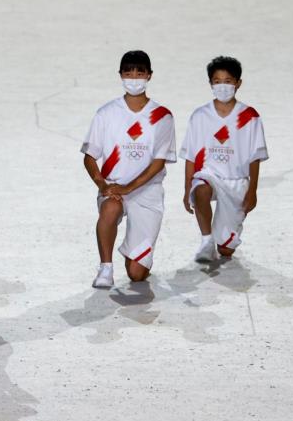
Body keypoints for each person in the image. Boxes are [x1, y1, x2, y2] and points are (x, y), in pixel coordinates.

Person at [81, 51, 176, 288]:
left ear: (149, 76)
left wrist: (129, 187)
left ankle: (134, 252)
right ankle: (105, 267)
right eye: (128, 72)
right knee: (111, 207)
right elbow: (90, 156)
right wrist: (103, 185)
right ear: (120, 75)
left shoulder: (162, 116)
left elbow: (158, 163)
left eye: (140, 72)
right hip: (113, 187)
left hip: (147, 192)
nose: (134, 77)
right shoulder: (106, 113)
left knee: (136, 274)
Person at [180, 56, 268, 262]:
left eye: (228, 81)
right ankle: (206, 240)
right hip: (209, 174)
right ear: (210, 83)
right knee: (200, 189)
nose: (222, 86)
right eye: (217, 81)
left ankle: (220, 241)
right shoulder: (200, 116)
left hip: (236, 180)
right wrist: (187, 190)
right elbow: (191, 156)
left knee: (226, 250)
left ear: (238, 83)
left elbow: (255, 158)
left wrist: (253, 191)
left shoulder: (249, 117)